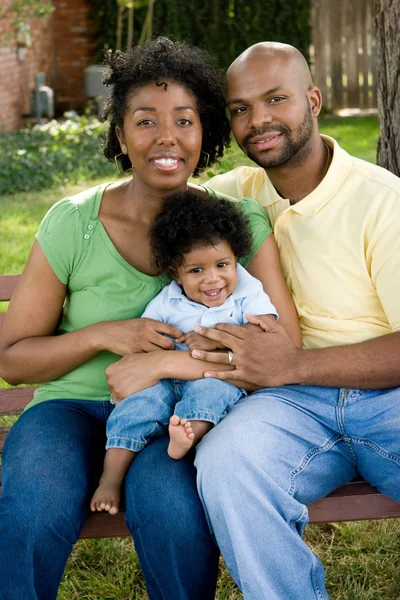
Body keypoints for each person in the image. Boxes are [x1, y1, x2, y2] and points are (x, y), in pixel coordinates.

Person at [0, 38, 300, 600]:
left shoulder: (233, 226)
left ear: (203, 134)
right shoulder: (73, 223)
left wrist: (166, 363)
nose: (167, 137)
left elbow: (282, 344)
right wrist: (106, 336)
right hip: (71, 410)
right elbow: (12, 359)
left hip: (175, 419)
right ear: (120, 135)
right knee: (30, 510)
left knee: (171, 516)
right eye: (145, 121)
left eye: (184, 120)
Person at [109, 41, 400, 599]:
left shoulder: (380, 202)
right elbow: (145, 199)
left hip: (386, 394)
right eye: (240, 107)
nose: (258, 120)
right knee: (226, 461)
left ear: (312, 100)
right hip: (285, 406)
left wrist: (295, 363)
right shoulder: (235, 199)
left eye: (276, 100)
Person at [90, 190, 280, 515]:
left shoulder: (248, 290)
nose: (212, 279)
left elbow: (263, 333)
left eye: (222, 265)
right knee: (136, 408)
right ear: (175, 273)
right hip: (167, 380)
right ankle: (111, 476)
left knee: (213, 391)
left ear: (236, 258)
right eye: (196, 271)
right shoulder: (167, 300)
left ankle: (187, 438)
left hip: (215, 377)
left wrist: (217, 340)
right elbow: (148, 337)